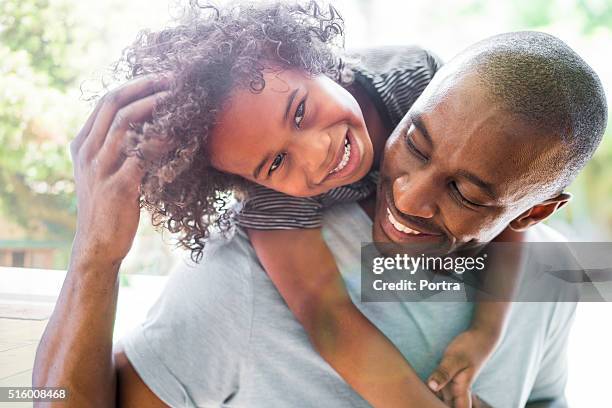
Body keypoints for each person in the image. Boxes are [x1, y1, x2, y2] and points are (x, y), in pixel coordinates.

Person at [33, 26, 606, 408]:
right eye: (276, 161)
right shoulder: (258, 247)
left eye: (302, 110)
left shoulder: (421, 80)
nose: (318, 155)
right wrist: (95, 253)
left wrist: (484, 334)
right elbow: (328, 320)